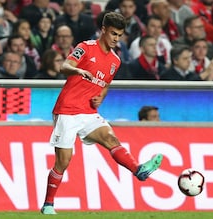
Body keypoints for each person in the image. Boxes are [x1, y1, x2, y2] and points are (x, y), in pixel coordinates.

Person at [41, 11, 163, 215]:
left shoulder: (115, 61)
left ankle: (138, 170)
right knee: (63, 162)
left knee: (110, 138)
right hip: (68, 110)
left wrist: (101, 97)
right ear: (103, 30)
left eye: (119, 35)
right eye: (113, 33)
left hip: (88, 112)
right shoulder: (85, 48)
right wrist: (78, 71)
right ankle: (48, 204)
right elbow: (65, 66)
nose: (116, 39)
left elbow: (105, 84)